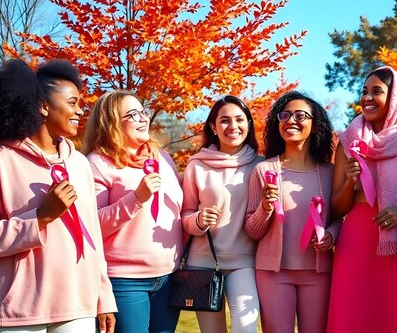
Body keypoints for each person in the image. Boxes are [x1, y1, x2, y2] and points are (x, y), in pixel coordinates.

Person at [0, 59, 117, 333]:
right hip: (14, 312)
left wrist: (103, 295)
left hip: (76, 306)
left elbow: (93, 237)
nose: (80, 110)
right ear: (43, 107)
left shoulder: (79, 163)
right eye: (72, 102)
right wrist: (41, 217)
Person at [327, 66, 397, 333]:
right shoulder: (349, 141)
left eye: (376, 91)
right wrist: (348, 182)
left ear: (396, 97)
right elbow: (338, 206)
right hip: (356, 239)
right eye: (364, 91)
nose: (367, 97)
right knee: (352, 314)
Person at [82, 90, 183, 333]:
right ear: (111, 122)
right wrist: (136, 198)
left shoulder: (164, 159)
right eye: (132, 114)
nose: (142, 118)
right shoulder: (97, 163)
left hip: (169, 276)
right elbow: (93, 224)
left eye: (143, 112)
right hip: (124, 281)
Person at [244, 91, 339, 333]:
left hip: (319, 273)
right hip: (273, 274)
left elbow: (340, 218)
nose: (290, 120)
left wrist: (331, 235)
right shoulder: (263, 169)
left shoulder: (330, 172)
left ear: (315, 125)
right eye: (284, 115)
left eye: (300, 115)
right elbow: (252, 231)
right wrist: (265, 207)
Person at [181, 95, 263, 333]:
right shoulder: (196, 165)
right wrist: (197, 219)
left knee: (246, 329)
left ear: (248, 123)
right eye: (224, 120)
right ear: (213, 127)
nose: (233, 126)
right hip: (203, 263)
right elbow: (185, 214)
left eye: (239, 119)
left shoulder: (261, 164)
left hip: (244, 261)